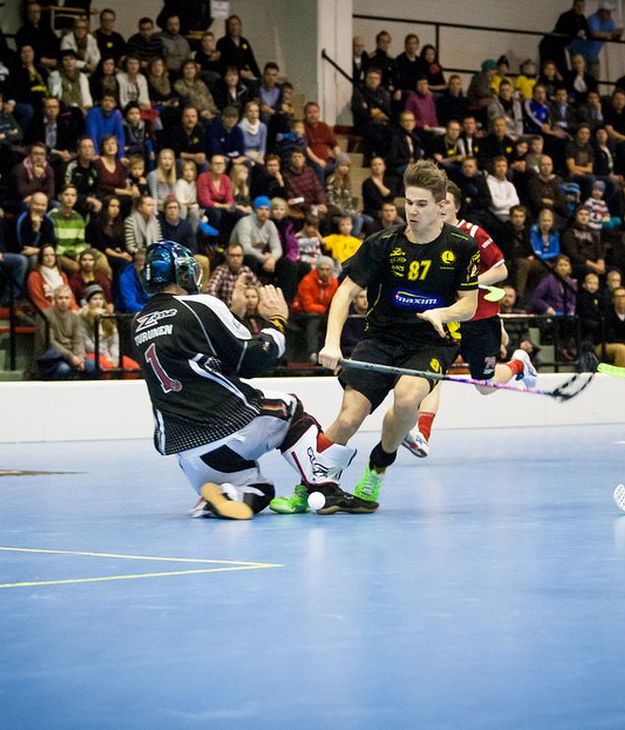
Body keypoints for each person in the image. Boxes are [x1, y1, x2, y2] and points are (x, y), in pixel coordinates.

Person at [278, 161, 479, 514]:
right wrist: (331, 342)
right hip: (381, 338)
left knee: (407, 398)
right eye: (409, 202)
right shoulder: (383, 243)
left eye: (421, 204)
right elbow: (344, 292)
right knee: (349, 417)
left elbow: (469, 305)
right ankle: (309, 486)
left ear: (440, 205)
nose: (412, 211)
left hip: (432, 342)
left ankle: (377, 468)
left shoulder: (462, 247)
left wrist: (442, 314)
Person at [132, 241, 372, 518]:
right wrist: (276, 321)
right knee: (289, 407)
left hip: (190, 457)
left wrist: (234, 315)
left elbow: (205, 353)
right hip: (225, 429)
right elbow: (254, 359)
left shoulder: (138, 322)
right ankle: (324, 488)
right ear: (183, 274)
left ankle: (223, 495)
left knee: (260, 489)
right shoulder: (201, 306)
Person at [401, 181, 534, 457]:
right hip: (447, 319)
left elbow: (500, 271)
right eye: (437, 202)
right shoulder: (428, 236)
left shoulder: (473, 233)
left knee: (485, 386)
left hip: (480, 319)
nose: (440, 207)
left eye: (446, 202)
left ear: (456, 207)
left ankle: (519, 364)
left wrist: (469, 283)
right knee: (432, 376)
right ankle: (423, 435)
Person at [35, 285, 96, 380]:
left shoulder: (74, 317)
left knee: (94, 367)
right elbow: (51, 342)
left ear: (71, 300)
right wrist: (71, 357)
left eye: (67, 298)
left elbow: (78, 340)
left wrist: (80, 358)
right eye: (60, 298)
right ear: (54, 299)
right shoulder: (45, 316)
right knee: (64, 369)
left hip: (73, 355)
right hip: (52, 357)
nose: (64, 301)